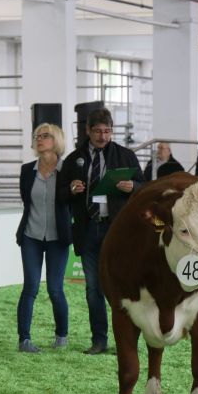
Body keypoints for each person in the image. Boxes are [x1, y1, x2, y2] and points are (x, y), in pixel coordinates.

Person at [61, 108, 144, 355]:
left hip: (117, 231)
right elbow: (61, 193)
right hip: (87, 231)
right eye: (98, 131)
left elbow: (145, 187)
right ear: (88, 131)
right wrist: (71, 189)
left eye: (107, 131)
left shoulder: (126, 155)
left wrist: (133, 187)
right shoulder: (74, 158)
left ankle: (126, 340)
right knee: (93, 288)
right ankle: (99, 340)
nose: (103, 136)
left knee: (122, 287)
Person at [15, 123, 73, 354]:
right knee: (30, 287)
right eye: (37, 136)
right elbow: (26, 201)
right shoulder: (27, 170)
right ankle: (24, 340)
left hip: (58, 237)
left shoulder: (67, 170)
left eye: (45, 136)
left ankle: (61, 335)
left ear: (56, 140)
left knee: (55, 289)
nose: (40, 139)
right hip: (31, 235)